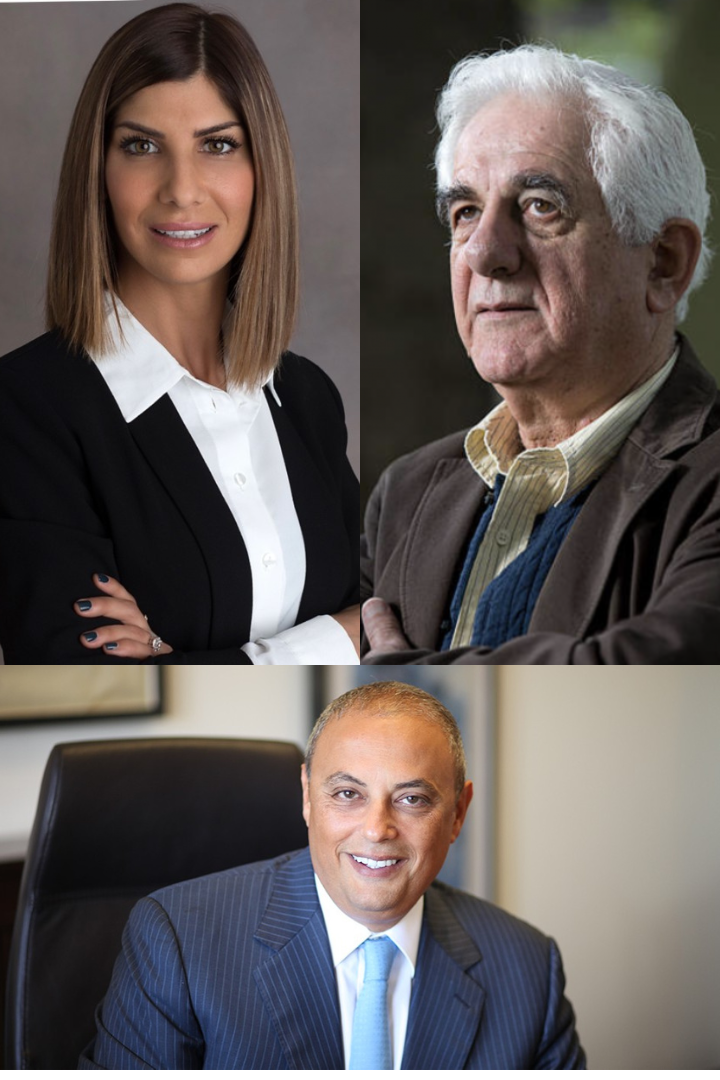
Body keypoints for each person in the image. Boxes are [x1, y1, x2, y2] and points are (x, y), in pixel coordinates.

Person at [0, 3, 359, 664]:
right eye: (141, 146)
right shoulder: (25, 408)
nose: (182, 190)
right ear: (99, 172)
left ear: (262, 170)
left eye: (217, 145)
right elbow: (79, 671)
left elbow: (390, 621)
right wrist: (329, 637)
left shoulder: (308, 399)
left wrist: (185, 661)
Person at [361, 44, 720, 665]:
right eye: (465, 211)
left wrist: (396, 678)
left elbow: (646, 684)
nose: (483, 252)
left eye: (539, 206)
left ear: (664, 262)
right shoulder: (407, 492)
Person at [79, 681, 586, 1069]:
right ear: (307, 796)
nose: (377, 829)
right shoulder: (178, 942)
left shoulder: (527, 968)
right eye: (348, 794)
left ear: (457, 814)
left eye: (412, 798)